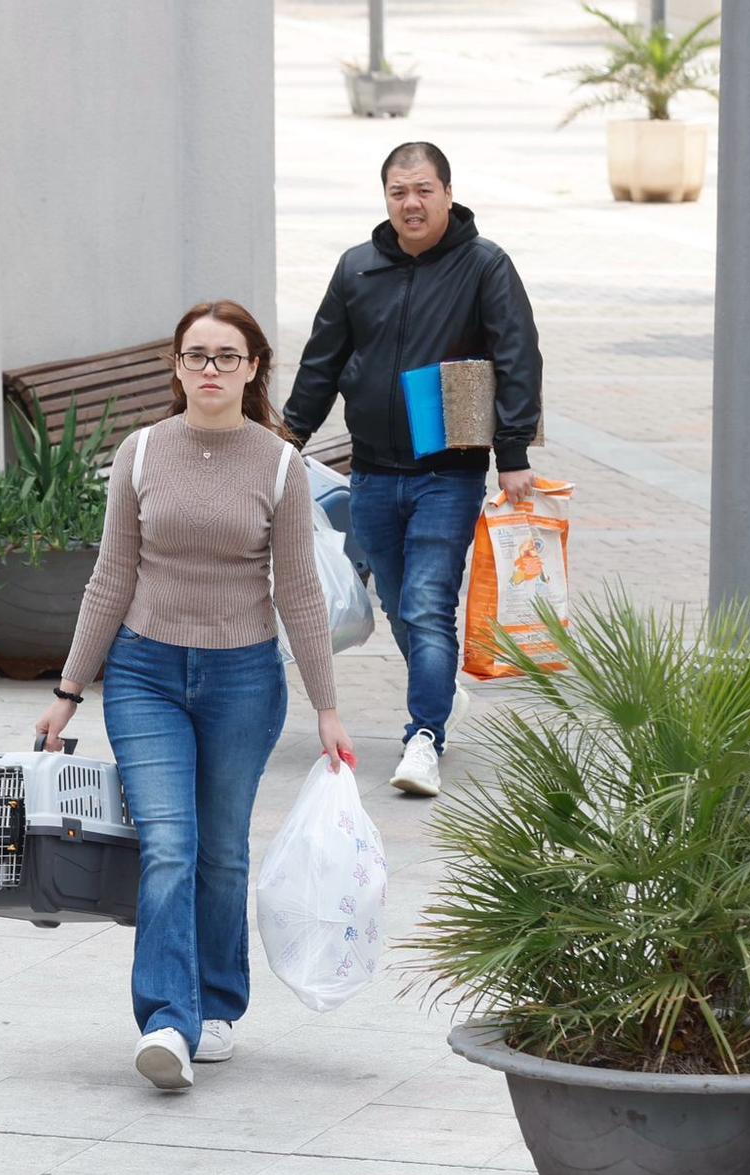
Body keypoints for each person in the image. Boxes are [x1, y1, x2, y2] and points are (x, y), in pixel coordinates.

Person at [37, 300, 355, 1092]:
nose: (209, 369)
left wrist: (326, 704)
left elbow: (300, 593)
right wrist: (69, 688)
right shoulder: (140, 454)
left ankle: (218, 1002)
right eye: (195, 356)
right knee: (169, 845)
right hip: (145, 674)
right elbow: (111, 576)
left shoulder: (279, 465)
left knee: (222, 850)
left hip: (243, 678)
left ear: (253, 369)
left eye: (226, 356)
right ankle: (167, 1021)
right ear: (177, 369)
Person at [282, 140, 543, 799]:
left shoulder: (484, 267)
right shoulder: (357, 269)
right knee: (399, 604)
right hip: (370, 472)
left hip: (448, 472)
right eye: (398, 192)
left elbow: (517, 358)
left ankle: (423, 736)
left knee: (428, 603)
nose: (411, 203)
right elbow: (322, 360)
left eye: (423, 189)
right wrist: (288, 439)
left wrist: (511, 454)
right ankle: (440, 691)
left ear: (448, 195)